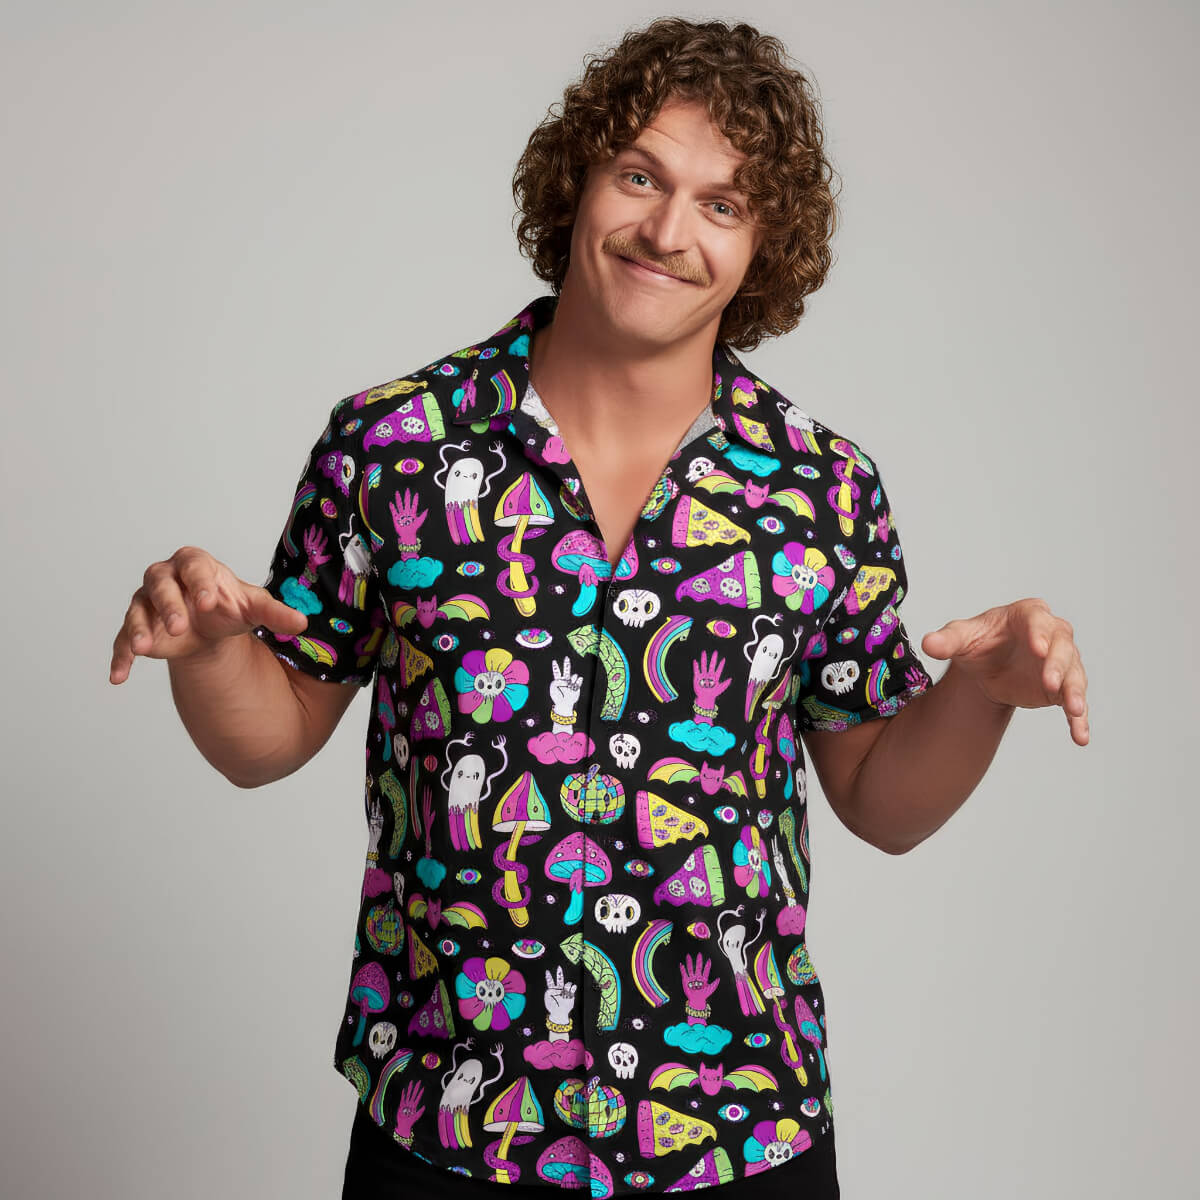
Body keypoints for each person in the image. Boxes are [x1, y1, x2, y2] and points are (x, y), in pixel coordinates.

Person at [108, 17, 1090, 1198]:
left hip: (733, 1131)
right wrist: (209, 650)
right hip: (447, 1126)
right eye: (641, 175)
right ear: (577, 180)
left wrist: (982, 695)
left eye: (722, 204)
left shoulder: (823, 489)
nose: (668, 232)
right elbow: (272, 737)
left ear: (762, 245)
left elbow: (882, 802)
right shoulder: (394, 446)